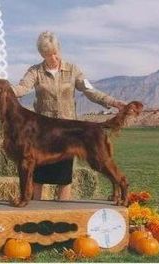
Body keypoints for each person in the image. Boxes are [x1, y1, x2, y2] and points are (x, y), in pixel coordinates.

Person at [12, 31, 126, 201]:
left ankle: (62, 215)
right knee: (38, 178)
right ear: (42, 54)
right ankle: (36, 214)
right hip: (43, 133)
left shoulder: (72, 70)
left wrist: (113, 102)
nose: (53, 57)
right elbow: (21, 88)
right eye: (48, 54)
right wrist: (4, 92)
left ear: (59, 48)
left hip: (67, 133)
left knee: (64, 179)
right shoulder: (35, 71)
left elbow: (89, 90)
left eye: (55, 52)